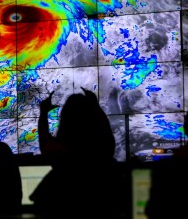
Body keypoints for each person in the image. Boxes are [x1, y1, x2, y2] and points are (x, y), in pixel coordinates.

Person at [29, 88, 127, 217]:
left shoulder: (61, 158)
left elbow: (45, 141)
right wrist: (96, 107)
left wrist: (43, 113)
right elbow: (107, 135)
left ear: (64, 120)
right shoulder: (102, 154)